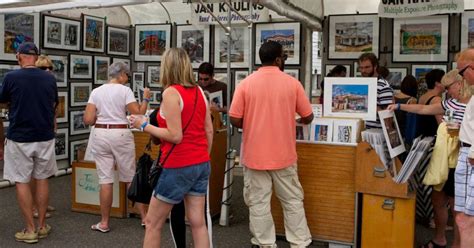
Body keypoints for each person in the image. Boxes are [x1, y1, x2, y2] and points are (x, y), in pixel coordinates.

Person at [229, 41, 314, 247]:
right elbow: (308, 116)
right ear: (277, 59)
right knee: (292, 201)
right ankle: (300, 242)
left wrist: (250, 122)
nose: (284, 60)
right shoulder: (292, 83)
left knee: (258, 203)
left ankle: (264, 243)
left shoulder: (246, 84)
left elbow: (234, 118)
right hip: (284, 154)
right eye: (283, 57)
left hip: (254, 154)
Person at [129, 48, 213, 248]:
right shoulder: (200, 92)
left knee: (152, 223)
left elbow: (175, 136)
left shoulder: (171, 93)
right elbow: (208, 131)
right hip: (200, 162)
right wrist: (201, 156)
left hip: (177, 165)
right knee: (198, 223)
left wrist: (143, 125)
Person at [388, 69, 470, 248]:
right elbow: (423, 108)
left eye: (449, 87)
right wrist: (400, 106)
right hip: (445, 160)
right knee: (438, 199)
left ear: (460, 84)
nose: (447, 91)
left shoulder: (470, 104)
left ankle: (457, 243)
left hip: (460, 160)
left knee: (458, 207)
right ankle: (440, 238)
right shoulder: (451, 103)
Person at [0, 42, 57, 244]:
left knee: (22, 181)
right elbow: (53, 105)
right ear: (36, 57)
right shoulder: (49, 79)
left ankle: (30, 229)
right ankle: (42, 226)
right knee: (42, 179)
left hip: (20, 137)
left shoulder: (11, 77)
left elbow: (3, 100)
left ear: (19, 56)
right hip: (44, 136)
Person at [83, 61, 151, 233]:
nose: (127, 79)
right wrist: (146, 98)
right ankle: (145, 218)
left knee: (105, 180)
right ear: (121, 74)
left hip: (100, 134)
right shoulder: (125, 90)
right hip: (120, 134)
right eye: (127, 75)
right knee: (130, 177)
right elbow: (138, 113)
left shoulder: (96, 91)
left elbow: (88, 119)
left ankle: (104, 222)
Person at [30, 55, 57, 219]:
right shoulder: (32, 86)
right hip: (33, 133)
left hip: (46, 131)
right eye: (43, 68)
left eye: (50, 68)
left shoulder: (50, 84)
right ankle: (34, 206)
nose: (47, 71)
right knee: (35, 173)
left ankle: (41, 204)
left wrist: (54, 123)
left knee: (43, 172)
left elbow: (53, 106)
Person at [454, 48, 474, 248]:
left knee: (467, 220)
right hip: (467, 153)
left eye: (461, 72)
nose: (462, 77)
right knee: (464, 218)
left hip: (471, 157)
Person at [358, 52, 394, 129]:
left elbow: (388, 120)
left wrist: (372, 105)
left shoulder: (383, 86)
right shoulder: (361, 83)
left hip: (375, 134)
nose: (363, 70)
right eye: (361, 67)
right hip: (360, 132)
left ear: (375, 67)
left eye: (367, 67)